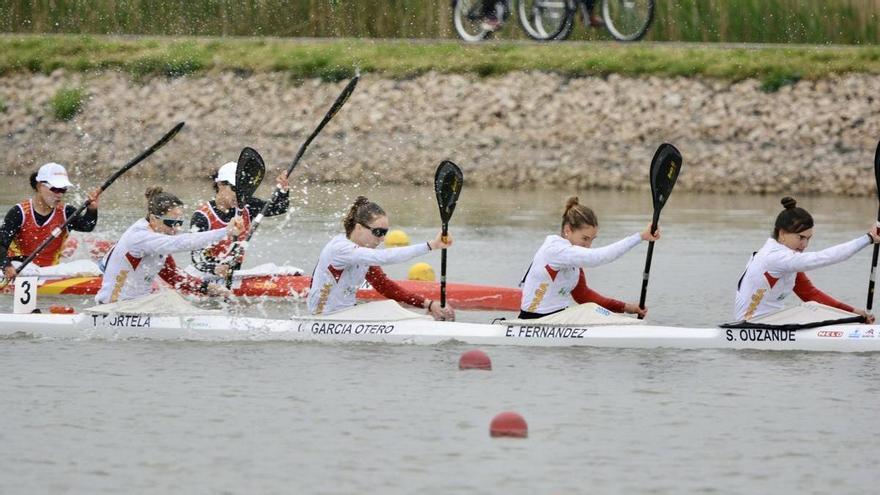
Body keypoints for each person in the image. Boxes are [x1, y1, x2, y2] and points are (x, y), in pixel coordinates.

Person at [734, 197, 880, 322]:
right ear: (782, 234)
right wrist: (868, 239)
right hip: (752, 325)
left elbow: (810, 294)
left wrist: (853, 312)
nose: (805, 245)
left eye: (808, 239)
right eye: (801, 238)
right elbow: (824, 258)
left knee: (814, 308)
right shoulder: (775, 258)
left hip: (772, 321)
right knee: (811, 310)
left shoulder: (785, 259)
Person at [308, 196, 455, 320]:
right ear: (359, 228)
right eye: (378, 232)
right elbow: (383, 257)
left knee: (389, 306)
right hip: (324, 319)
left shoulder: (363, 254)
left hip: (346, 316)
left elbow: (385, 287)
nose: (382, 239)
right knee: (387, 308)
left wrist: (428, 304)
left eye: (385, 232)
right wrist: (431, 245)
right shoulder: (341, 249)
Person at [519, 197, 659, 320]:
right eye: (585, 239)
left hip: (557, 319)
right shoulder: (555, 250)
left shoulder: (572, 259)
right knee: (591, 311)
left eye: (592, 240)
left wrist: (628, 308)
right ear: (567, 230)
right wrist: (640, 237)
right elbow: (600, 257)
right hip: (534, 321)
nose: (588, 246)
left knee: (593, 310)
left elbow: (584, 296)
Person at [95, 187, 243, 304]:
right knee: (171, 299)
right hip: (114, 309)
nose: (177, 229)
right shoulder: (140, 237)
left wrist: (210, 289)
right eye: (171, 223)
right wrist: (225, 231)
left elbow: (174, 276)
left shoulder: (157, 240)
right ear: (154, 218)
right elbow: (183, 243)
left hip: (138, 306)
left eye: (179, 223)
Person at [189, 161, 290, 280]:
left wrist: (283, 190)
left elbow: (280, 208)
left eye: (243, 189)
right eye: (235, 188)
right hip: (206, 278)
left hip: (232, 276)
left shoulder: (247, 206)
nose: (240, 194)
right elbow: (196, 258)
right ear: (220, 184)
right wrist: (214, 269)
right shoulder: (202, 217)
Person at [0, 162, 100, 279]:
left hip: (50, 271)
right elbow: (1, 244)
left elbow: (87, 226)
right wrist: (6, 266)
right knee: (25, 268)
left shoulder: (66, 212)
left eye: (63, 190)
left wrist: (92, 210)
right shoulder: (19, 212)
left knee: (91, 267)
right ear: (39, 186)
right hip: (19, 268)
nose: (59, 195)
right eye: (55, 189)